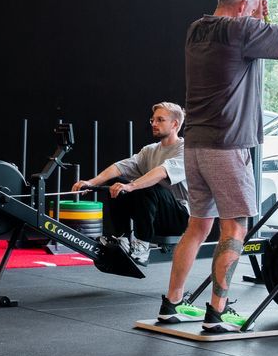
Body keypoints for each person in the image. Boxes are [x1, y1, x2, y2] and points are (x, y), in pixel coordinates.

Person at [159, 0, 278, 332]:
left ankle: (170, 303)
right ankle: (217, 311)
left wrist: (259, 23)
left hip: (197, 144)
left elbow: (243, 54)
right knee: (234, 226)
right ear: (243, 8)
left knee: (199, 225)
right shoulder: (240, 30)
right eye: (250, 11)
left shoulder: (196, 30)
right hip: (227, 145)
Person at [71, 102, 190, 263]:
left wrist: (131, 185)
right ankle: (123, 239)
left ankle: (142, 246)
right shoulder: (150, 150)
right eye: (152, 120)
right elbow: (120, 167)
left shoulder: (186, 149)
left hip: (180, 218)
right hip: (153, 214)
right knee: (117, 182)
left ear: (175, 124)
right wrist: (91, 183)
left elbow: (161, 172)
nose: (154, 124)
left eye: (160, 120)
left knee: (146, 184)